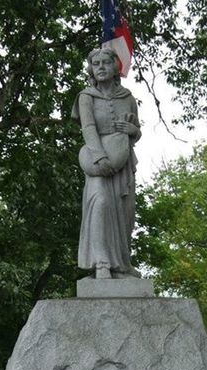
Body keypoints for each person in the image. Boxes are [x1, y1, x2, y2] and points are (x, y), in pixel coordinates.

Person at [72, 48, 141, 279]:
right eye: (96, 63)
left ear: (115, 67)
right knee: (99, 203)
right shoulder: (86, 97)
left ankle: (122, 264)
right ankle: (101, 262)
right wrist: (100, 157)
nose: (100, 67)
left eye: (105, 63)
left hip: (123, 164)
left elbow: (136, 131)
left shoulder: (128, 98)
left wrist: (133, 131)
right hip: (96, 159)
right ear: (91, 68)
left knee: (124, 212)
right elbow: (88, 128)